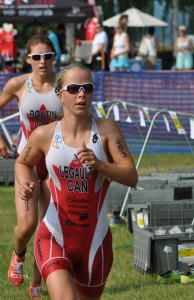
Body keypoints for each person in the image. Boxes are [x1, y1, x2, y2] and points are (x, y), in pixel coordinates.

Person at [15, 63, 138, 300]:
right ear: (60, 95)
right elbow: (22, 162)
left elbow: (131, 177)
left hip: (96, 243)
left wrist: (100, 165)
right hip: (53, 235)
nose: (81, 94)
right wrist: (23, 183)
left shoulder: (107, 130)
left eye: (87, 88)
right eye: (73, 88)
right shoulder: (45, 134)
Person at [0, 34, 63, 298]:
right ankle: (18, 254)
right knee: (26, 226)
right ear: (28, 59)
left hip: (53, 165)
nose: (42, 62)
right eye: (36, 57)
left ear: (54, 58)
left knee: (47, 228)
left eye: (47, 56)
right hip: (27, 163)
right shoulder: (18, 84)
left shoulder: (64, 85)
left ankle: (36, 284)